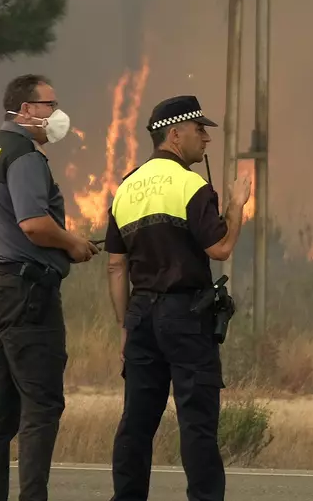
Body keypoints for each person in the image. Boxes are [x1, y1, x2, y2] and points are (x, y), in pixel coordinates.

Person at [0, 74, 100, 501]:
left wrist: (1, 240)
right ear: (24, 109)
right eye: (49, 105)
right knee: (41, 405)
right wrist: (72, 242)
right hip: (24, 294)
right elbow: (35, 224)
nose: (56, 114)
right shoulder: (25, 156)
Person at [105, 95, 251, 501]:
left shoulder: (125, 188)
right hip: (186, 317)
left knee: (136, 423)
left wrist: (124, 326)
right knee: (197, 423)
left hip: (140, 318)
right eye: (198, 129)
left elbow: (116, 267)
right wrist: (237, 205)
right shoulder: (192, 186)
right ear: (174, 134)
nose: (205, 138)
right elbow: (219, 249)